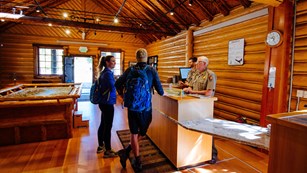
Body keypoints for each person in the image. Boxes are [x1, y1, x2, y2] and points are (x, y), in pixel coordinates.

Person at [115, 48, 164, 171]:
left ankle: (136, 160)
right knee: (142, 132)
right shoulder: (152, 70)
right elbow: (161, 92)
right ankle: (128, 152)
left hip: (132, 108)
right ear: (146, 58)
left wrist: (123, 97)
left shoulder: (130, 70)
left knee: (133, 133)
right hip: (146, 108)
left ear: (136, 58)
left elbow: (117, 84)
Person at [183, 56, 218, 164]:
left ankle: (213, 153)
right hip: (194, 104)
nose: (196, 65)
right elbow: (192, 87)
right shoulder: (196, 74)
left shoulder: (210, 75)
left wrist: (193, 92)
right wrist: (188, 89)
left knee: (207, 128)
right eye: (196, 63)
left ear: (205, 64)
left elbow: (209, 93)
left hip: (204, 106)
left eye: (198, 63)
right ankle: (197, 151)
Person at [96, 55, 118, 158]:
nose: (115, 63)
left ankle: (101, 146)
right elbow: (113, 86)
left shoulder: (104, 73)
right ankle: (108, 150)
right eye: (113, 61)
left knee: (103, 124)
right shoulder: (108, 74)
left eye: (115, 61)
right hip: (108, 103)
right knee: (108, 126)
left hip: (104, 102)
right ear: (107, 63)